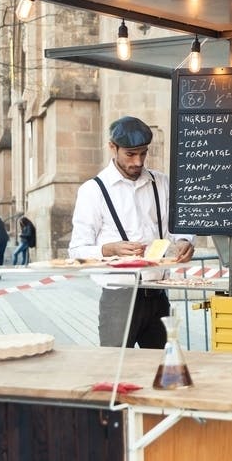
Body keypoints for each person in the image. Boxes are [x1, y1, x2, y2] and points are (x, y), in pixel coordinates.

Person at [69, 116, 195, 349]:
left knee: (162, 364)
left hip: (158, 294)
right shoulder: (93, 191)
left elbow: (180, 226)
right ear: (112, 147)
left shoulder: (161, 183)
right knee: (115, 365)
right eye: (130, 154)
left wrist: (185, 240)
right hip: (119, 297)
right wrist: (109, 249)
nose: (138, 161)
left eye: (143, 153)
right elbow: (76, 250)